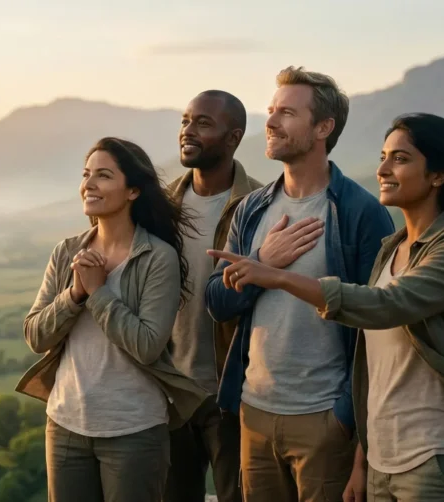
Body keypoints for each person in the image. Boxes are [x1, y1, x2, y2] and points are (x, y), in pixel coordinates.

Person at [208, 112, 444, 501]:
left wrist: (277, 275)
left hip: (437, 455)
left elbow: (385, 305)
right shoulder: (392, 249)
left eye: (400, 159)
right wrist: (362, 461)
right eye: (383, 156)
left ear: (439, 175)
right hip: (383, 458)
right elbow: (375, 367)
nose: (383, 168)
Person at [205, 66, 396, 502]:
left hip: (326, 418)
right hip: (254, 411)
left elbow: (379, 323)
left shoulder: (359, 213)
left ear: (323, 127)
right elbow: (218, 303)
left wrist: (349, 423)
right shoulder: (251, 209)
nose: (270, 121)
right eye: (271, 110)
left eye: (287, 112)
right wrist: (261, 264)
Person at [15, 137, 211, 502]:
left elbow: (148, 345)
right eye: (86, 174)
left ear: (133, 190)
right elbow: (35, 336)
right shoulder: (67, 252)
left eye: (103, 176)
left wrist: (99, 292)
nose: (89, 184)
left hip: (134, 430)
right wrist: (74, 295)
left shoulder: (158, 258)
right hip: (65, 426)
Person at [163, 90, 263, 502]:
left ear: (233, 137)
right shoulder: (161, 206)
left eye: (203, 123)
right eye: (186, 120)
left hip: (231, 396)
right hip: (169, 393)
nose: (188, 131)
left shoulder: (261, 206)